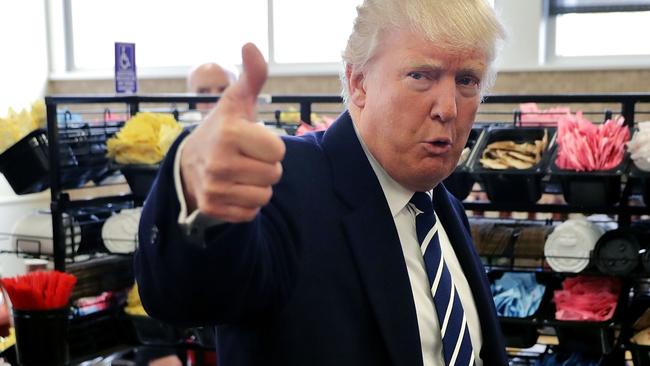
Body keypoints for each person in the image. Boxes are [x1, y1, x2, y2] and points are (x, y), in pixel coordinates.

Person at [135, 0, 508, 365]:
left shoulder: (443, 209)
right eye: (420, 76)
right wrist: (191, 191)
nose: (448, 108)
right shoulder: (286, 183)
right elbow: (187, 295)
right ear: (358, 82)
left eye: (466, 80)